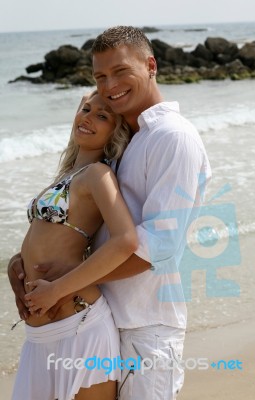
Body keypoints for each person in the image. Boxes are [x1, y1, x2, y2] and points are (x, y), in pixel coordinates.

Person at [9, 26, 212, 400]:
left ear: (150, 65)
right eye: (100, 76)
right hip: (102, 319)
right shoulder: (127, 142)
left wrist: (63, 286)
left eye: (120, 71)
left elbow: (158, 248)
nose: (108, 85)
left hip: (146, 326)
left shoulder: (173, 137)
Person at [10, 90, 138, 400]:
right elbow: (55, 238)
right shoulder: (67, 175)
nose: (88, 117)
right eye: (86, 108)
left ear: (114, 133)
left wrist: (56, 289)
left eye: (102, 116)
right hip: (40, 333)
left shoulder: (98, 174)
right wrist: (19, 265)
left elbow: (126, 240)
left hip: (80, 326)